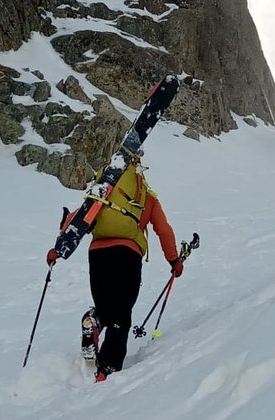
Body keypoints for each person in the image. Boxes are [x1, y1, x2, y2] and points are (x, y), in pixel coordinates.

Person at [51, 160, 180, 381]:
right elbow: (163, 230)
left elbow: (80, 216)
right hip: (128, 254)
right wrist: (174, 260)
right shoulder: (146, 197)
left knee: (105, 305)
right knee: (122, 312)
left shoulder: (105, 190)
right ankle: (107, 368)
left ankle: (95, 320)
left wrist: (58, 247)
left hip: (98, 253)